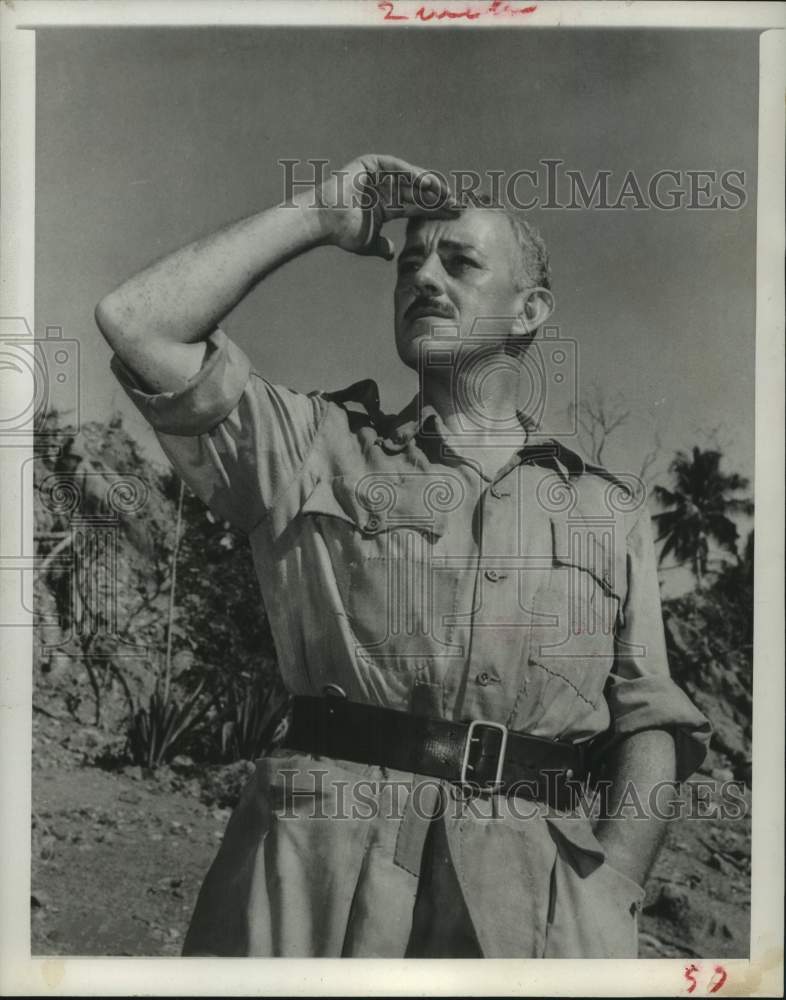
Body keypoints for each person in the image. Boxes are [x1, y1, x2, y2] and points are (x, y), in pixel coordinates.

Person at [96, 153, 711, 958]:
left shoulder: (607, 506)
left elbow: (648, 716)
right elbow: (137, 320)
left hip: (535, 903)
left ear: (530, 310)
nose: (422, 277)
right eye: (410, 263)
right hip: (313, 880)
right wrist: (319, 214)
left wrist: (613, 886)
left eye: (459, 262)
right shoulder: (312, 446)